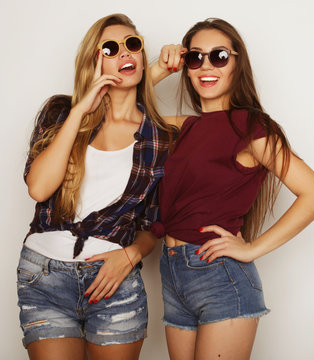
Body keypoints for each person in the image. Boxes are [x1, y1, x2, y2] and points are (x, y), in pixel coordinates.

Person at [152, 18, 314, 360]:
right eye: (195, 58)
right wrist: (159, 68)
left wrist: (252, 249)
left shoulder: (250, 126)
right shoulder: (185, 127)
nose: (206, 65)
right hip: (172, 272)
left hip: (220, 278)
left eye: (219, 56)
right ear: (186, 69)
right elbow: (118, 114)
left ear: (237, 63)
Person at [17, 14, 173, 359]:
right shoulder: (60, 112)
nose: (125, 54)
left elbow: (155, 223)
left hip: (113, 282)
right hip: (43, 278)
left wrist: (131, 255)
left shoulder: (159, 139)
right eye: (111, 48)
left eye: (133, 45)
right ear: (94, 60)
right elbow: (39, 189)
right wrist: (80, 111)